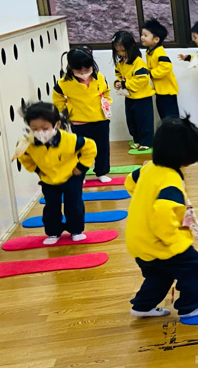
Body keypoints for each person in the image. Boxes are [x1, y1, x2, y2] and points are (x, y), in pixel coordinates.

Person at [126, 116, 198, 319]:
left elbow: (130, 181)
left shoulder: (149, 167)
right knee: (196, 270)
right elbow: (163, 214)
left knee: (159, 274)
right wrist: (176, 242)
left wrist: (144, 201)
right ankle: (190, 307)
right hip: (161, 242)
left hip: (138, 240)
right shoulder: (170, 181)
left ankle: (142, 306)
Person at [16, 102, 97, 245]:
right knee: (51, 207)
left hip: (71, 176)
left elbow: (90, 147)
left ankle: (76, 230)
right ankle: (53, 232)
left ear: (57, 125)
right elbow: (22, 155)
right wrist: (37, 170)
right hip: (49, 179)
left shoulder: (70, 140)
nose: (40, 132)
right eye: (34, 129)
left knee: (74, 205)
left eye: (45, 128)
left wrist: (81, 167)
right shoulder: (28, 143)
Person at [54, 47, 112, 183]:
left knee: (102, 148)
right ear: (71, 68)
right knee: (80, 150)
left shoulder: (99, 78)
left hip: (100, 120)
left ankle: (102, 172)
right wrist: (65, 111)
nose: (84, 74)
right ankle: (81, 174)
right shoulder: (64, 83)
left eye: (87, 70)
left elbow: (106, 91)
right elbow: (58, 98)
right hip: (79, 123)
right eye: (79, 71)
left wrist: (107, 102)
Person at [112, 30, 155, 153]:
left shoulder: (138, 62)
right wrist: (118, 83)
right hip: (130, 97)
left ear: (131, 47)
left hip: (142, 98)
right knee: (131, 120)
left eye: (123, 50)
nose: (120, 53)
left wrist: (125, 84)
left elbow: (142, 80)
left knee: (144, 121)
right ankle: (137, 139)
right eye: (118, 51)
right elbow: (119, 75)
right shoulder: (121, 63)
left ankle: (146, 142)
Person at [141, 19, 180, 121]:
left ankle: (176, 131)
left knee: (171, 118)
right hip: (160, 91)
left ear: (156, 39)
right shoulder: (150, 52)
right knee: (164, 116)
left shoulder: (159, 52)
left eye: (145, 35)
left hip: (167, 92)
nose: (142, 37)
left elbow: (167, 66)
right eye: (142, 35)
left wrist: (151, 73)